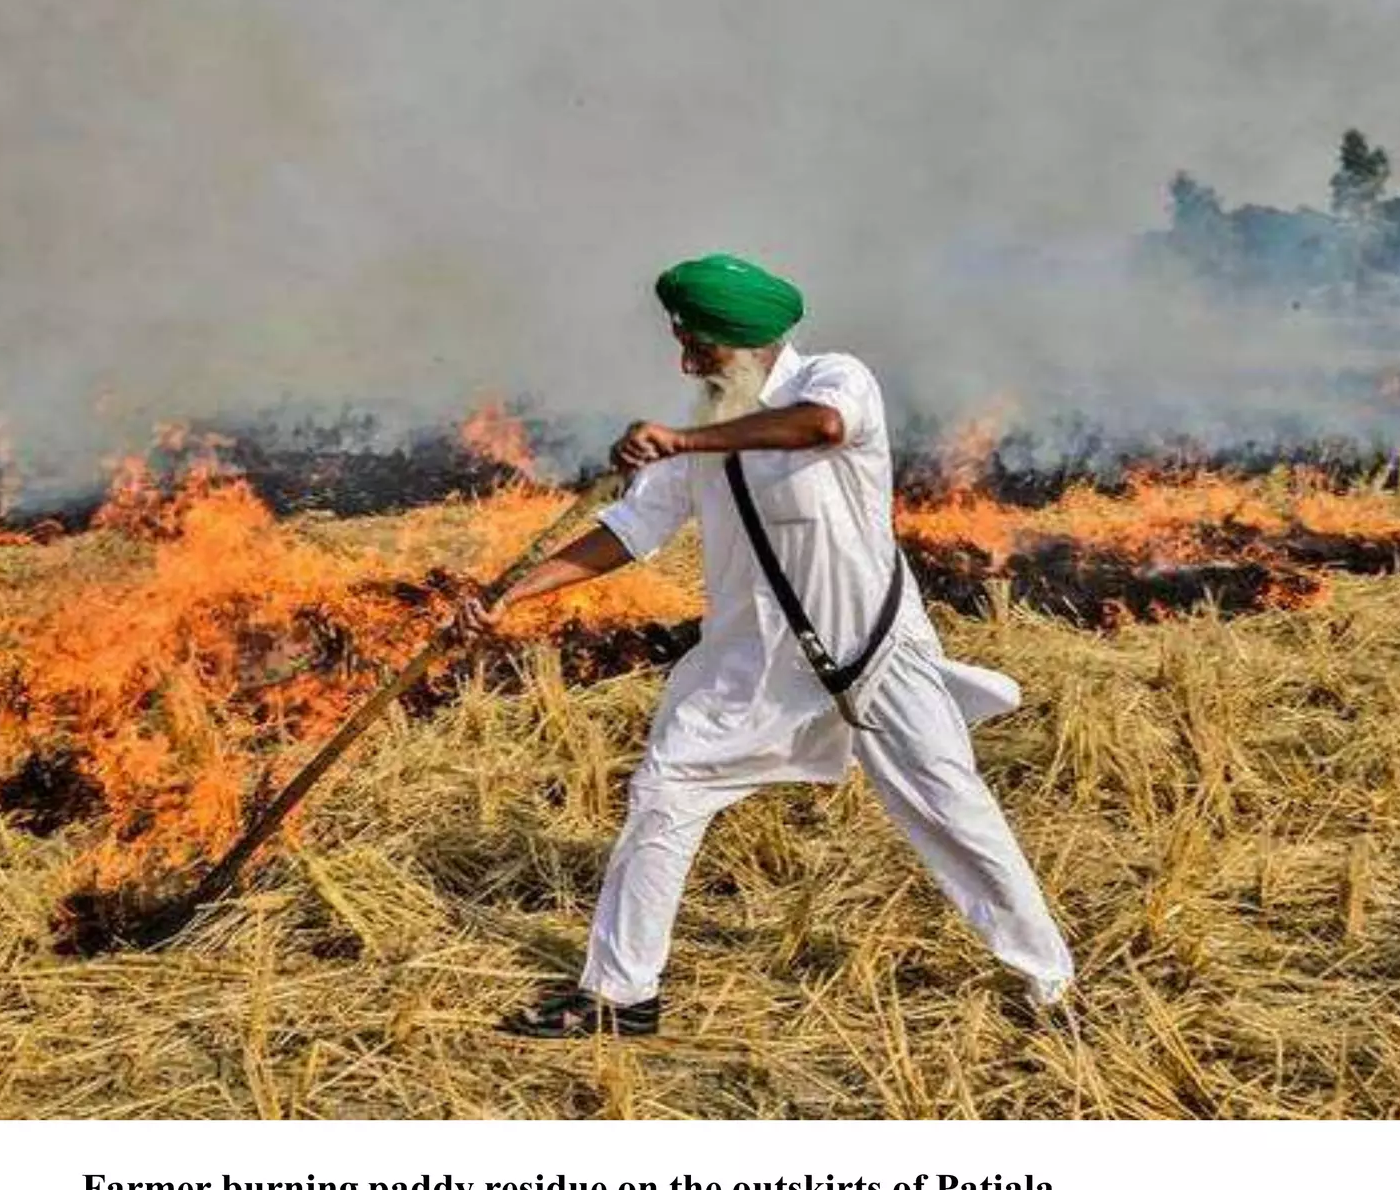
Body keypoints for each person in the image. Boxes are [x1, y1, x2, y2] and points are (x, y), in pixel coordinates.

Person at [457, 253, 1075, 1037]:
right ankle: (620, 996)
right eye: (682, 342)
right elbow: (630, 531)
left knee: (955, 814)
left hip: (874, 658)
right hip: (750, 671)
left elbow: (822, 429)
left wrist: (682, 440)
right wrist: (508, 597)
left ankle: (1049, 984)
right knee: (663, 793)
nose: (687, 361)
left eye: (702, 347)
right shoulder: (704, 428)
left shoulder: (836, 379)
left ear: (749, 344)